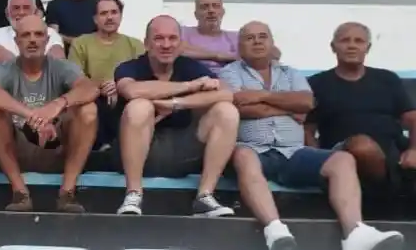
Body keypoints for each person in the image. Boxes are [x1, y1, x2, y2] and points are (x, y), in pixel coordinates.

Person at [221, 21, 404, 250]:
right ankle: (275, 230)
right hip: (253, 149)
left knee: (343, 159)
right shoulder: (229, 73)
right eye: (250, 38)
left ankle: (355, 233)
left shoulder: (291, 73)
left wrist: (260, 96)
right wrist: (288, 108)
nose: (257, 41)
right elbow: (240, 106)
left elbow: (306, 103)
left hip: (293, 152)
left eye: (262, 36)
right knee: (243, 156)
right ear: (239, 46)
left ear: (272, 43)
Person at [113, 15, 238, 217]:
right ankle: (133, 194)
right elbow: (132, 90)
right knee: (140, 106)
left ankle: (205, 196)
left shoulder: (189, 66)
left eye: (172, 38)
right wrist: (190, 86)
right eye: (159, 38)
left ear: (180, 43)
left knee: (226, 111)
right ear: (146, 43)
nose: (166, 45)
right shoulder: (130, 67)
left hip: (184, 152)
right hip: (141, 154)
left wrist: (175, 103)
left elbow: (226, 94)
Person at [0, 15, 99, 213]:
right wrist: (30, 114)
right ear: (16, 41)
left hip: (56, 148)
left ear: (47, 39)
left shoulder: (62, 67)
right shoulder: (5, 69)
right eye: (26, 35)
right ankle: (20, 193)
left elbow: (90, 88)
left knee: (88, 110)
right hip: (17, 149)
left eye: (38, 34)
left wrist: (57, 105)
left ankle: (67, 193)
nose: (33, 40)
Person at [306, 22, 416, 198]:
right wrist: (318, 161)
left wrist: (414, 150)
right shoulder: (316, 83)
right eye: (345, 40)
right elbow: (307, 130)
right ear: (333, 47)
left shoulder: (387, 79)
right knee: (362, 146)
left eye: (359, 41)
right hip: (343, 155)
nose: (352, 46)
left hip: (393, 152)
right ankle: (385, 194)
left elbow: (412, 118)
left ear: (368, 47)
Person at [68, 0, 144, 147]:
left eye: (114, 12)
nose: (109, 17)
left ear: (120, 16)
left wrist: (119, 86)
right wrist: (101, 87)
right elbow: (73, 77)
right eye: (103, 13)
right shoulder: (81, 43)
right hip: (93, 96)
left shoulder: (135, 44)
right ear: (95, 19)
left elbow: (144, 76)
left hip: (125, 96)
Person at [0, 0, 65, 63]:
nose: (21, 12)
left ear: (35, 12)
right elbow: (6, 62)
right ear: (7, 12)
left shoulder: (50, 32)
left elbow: (57, 62)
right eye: (16, 8)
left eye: (26, 8)